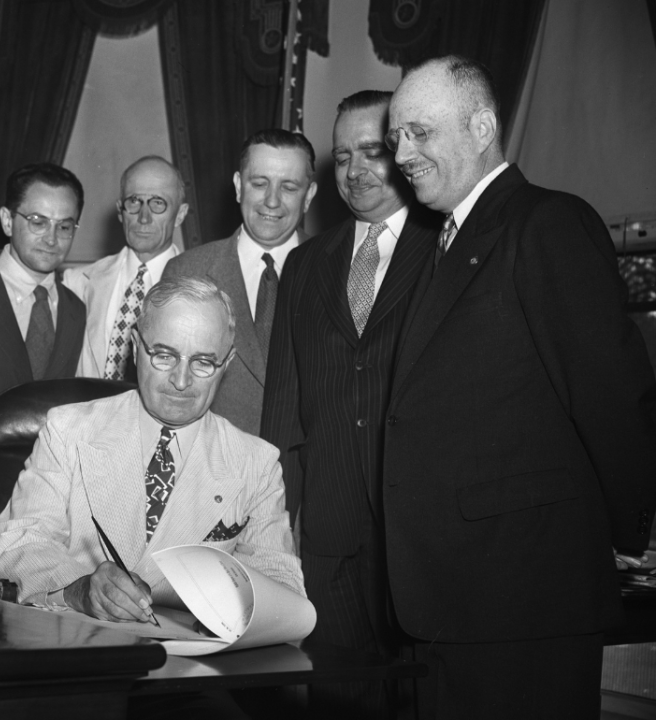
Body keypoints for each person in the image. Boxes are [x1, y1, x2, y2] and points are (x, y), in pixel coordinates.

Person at [384, 55, 656, 719]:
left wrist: (633, 533)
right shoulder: (441, 242)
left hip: (524, 593)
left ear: (481, 127)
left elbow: (611, 392)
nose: (401, 154)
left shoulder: (547, 224)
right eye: (396, 137)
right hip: (452, 596)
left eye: (419, 133)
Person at [260, 91, 438, 719]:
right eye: (341, 158)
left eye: (372, 152)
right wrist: (277, 522)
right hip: (328, 534)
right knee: (339, 700)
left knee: (421, 697)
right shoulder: (307, 263)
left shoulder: (446, 247)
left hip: (420, 527)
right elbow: (284, 404)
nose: (357, 170)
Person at [0, 276, 304, 618]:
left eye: (203, 362)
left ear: (226, 364)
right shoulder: (69, 429)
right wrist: (78, 588)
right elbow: (18, 542)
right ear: (136, 347)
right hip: (73, 641)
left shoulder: (256, 463)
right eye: (165, 356)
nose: (181, 382)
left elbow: (282, 587)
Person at [162, 129, 317, 435]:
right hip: (213, 468)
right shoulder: (186, 271)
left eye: (288, 187)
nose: (271, 201)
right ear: (238, 187)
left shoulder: (338, 271)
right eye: (259, 184)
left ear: (309, 195)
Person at [0, 163, 86, 434]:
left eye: (64, 226)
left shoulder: (75, 310)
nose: (51, 239)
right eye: (38, 222)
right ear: (8, 221)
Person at [64, 155, 189, 382]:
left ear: (180, 214)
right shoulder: (76, 282)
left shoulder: (200, 285)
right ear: (121, 211)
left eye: (158, 203)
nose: (143, 217)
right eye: (134, 202)